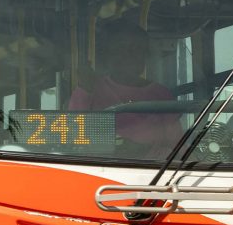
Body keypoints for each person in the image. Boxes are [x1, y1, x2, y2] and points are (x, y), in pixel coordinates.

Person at [68, 25, 175, 156]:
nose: (128, 56)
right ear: (108, 55)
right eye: (120, 49)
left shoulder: (161, 94)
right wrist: (84, 88)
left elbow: (176, 146)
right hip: (97, 165)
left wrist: (144, 151)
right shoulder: (91, 88)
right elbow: (74, 136)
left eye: (136, 49)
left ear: (145, 54)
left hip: (154, 166)